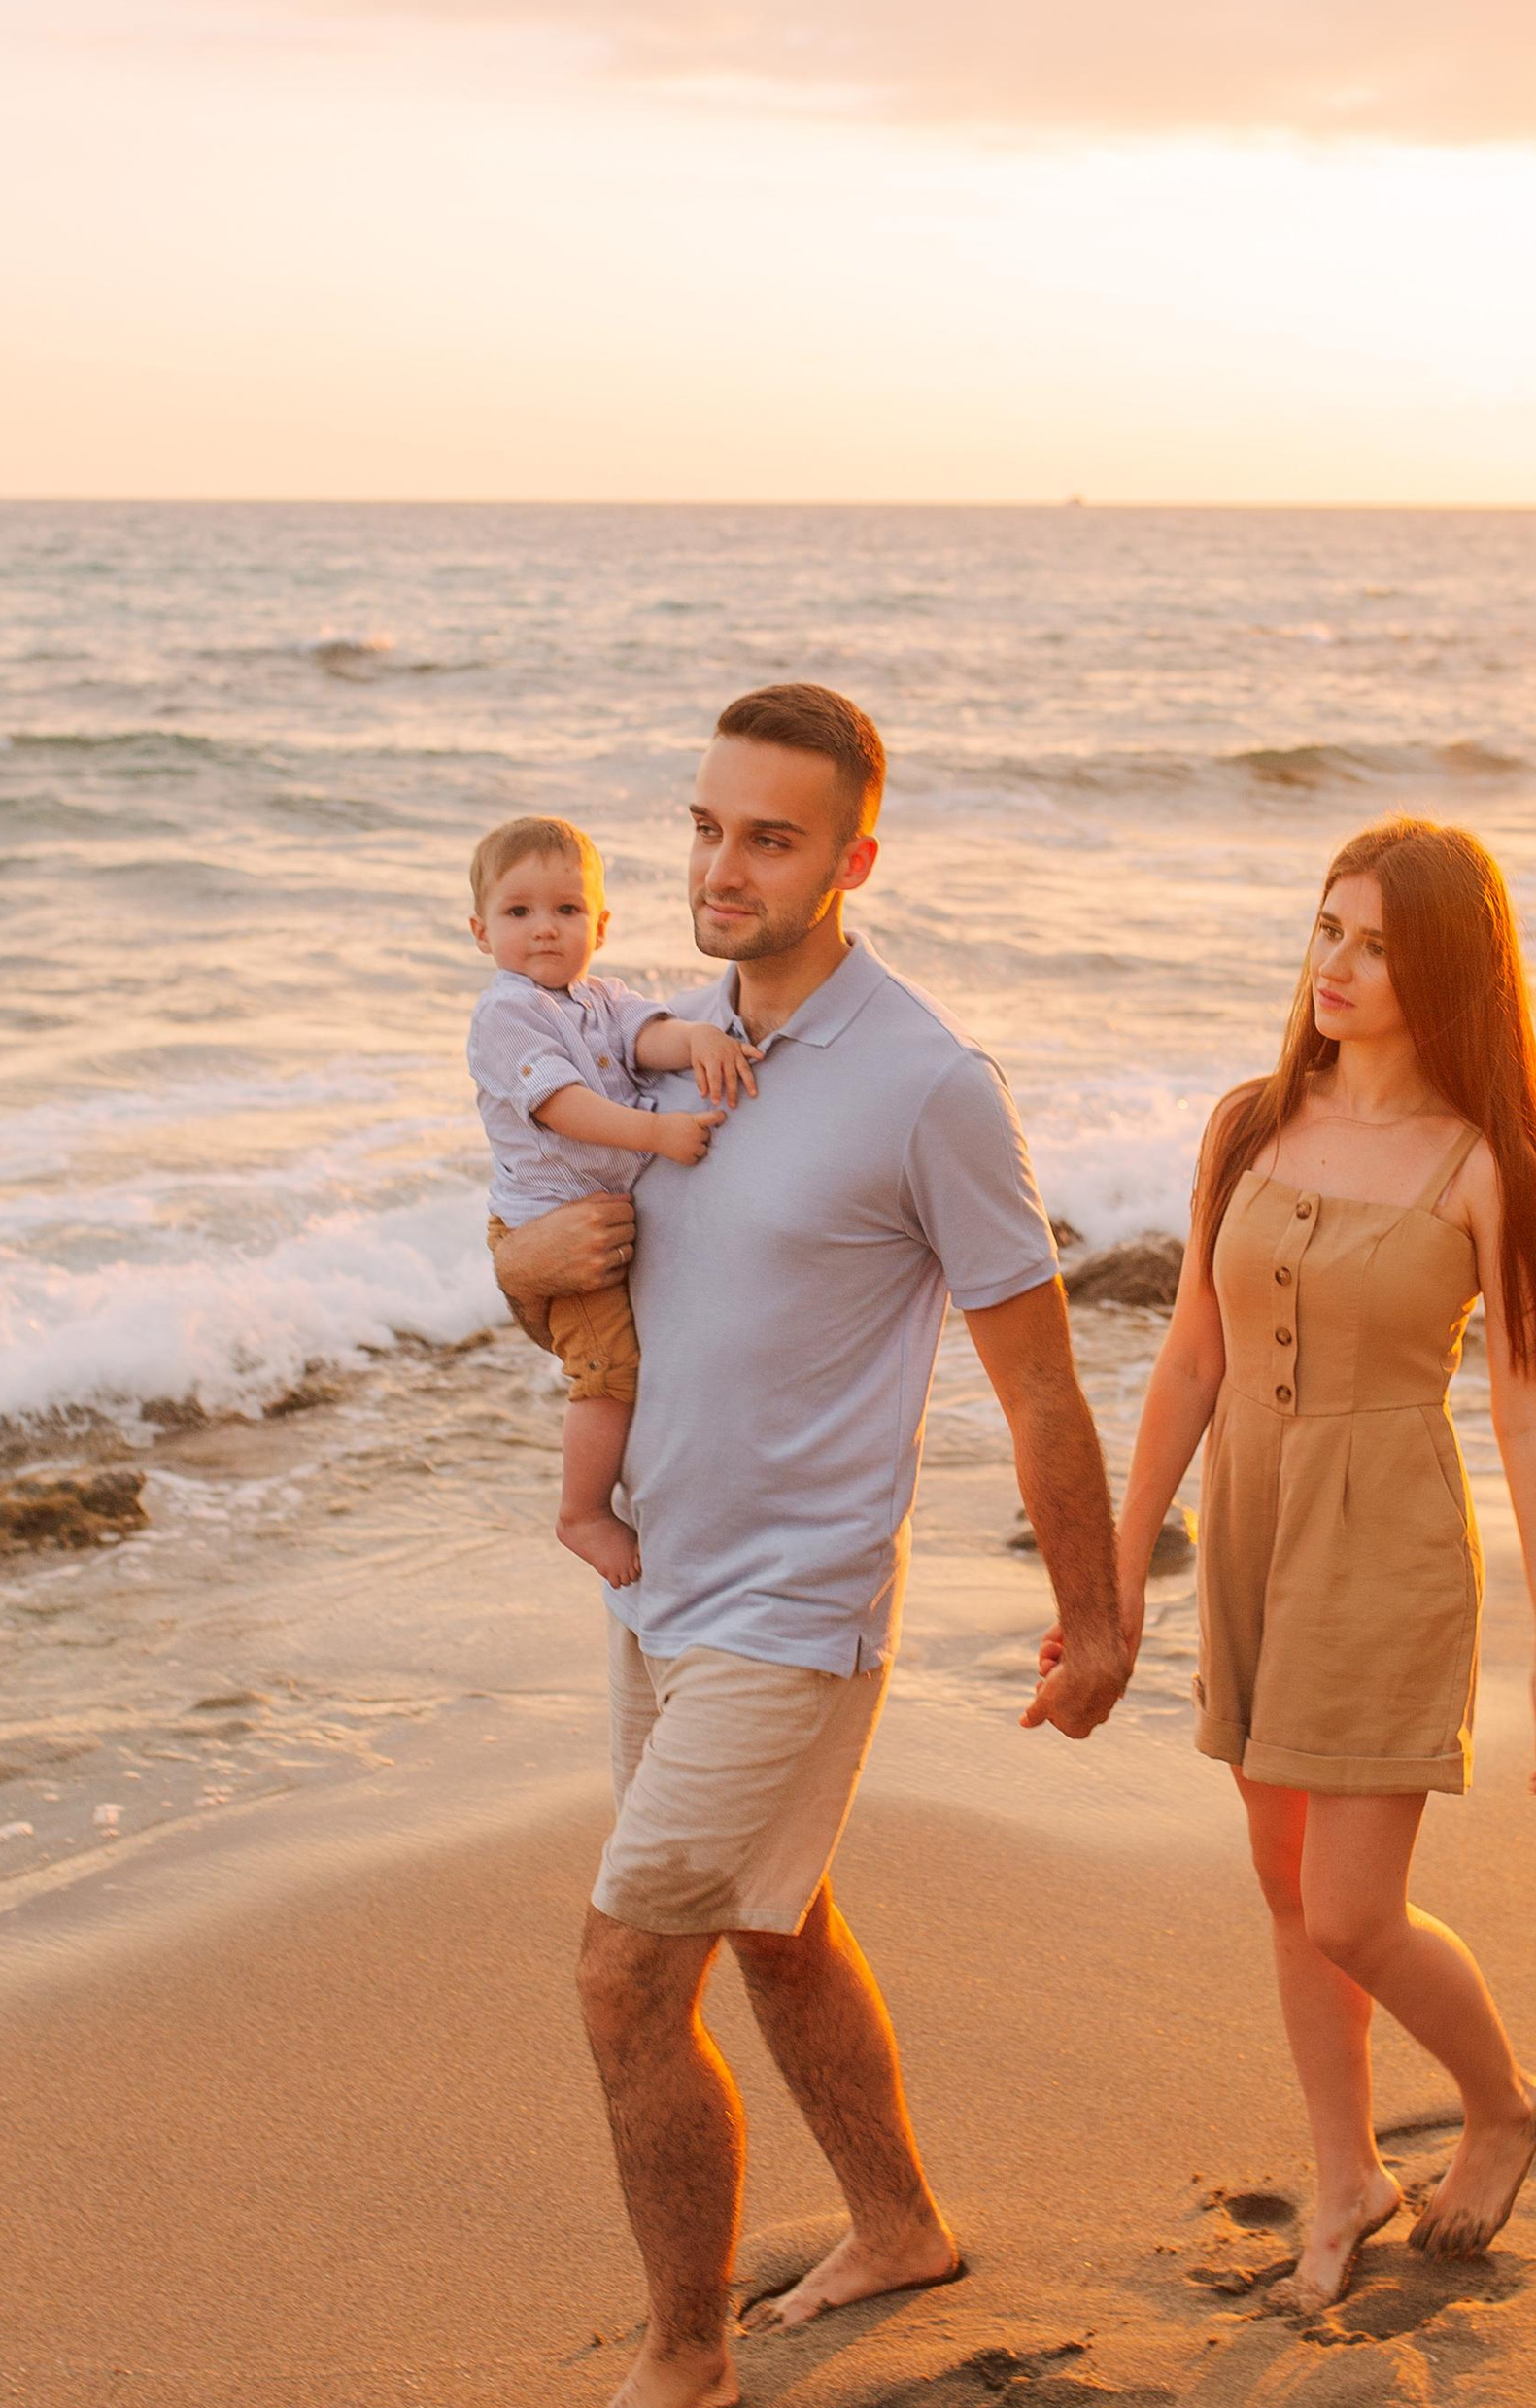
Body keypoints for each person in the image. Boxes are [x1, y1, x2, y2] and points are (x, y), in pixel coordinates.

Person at [489, 682, 1132, 2408]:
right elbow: (572, 1267)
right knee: (777, 1925)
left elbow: (1041, 1382)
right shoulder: (649, 1042)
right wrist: (516, 1274)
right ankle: (901, 2223)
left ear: (851, 857)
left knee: (628, 1976)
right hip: (661, 1583)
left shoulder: (928, 1084)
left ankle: (683, 2366)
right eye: (704, 826)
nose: (723, 865)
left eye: (768, 837)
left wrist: (1099, 1620)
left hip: (797, 1605)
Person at [1090, 814, 1536, 2312]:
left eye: (1378, 945)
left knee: (1350, 1910)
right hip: (1250, 1520)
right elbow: (1190, 1358)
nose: (1339, 966)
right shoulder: (1247, 1125)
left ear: (1444, 968)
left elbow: (1521, 1398)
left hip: (1387, 1543)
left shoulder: (1480, 1162)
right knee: (1278, 1878)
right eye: (1328, 929)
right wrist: (1117, 1576)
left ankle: (1501, 2099)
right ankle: (1345, 2174)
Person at [464, 813, 760, 1585]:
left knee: (640, 1361)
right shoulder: (506, 1014)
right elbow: (561, 1105)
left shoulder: (600, 998)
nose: (544, 931)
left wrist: (695, 1041)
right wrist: (655, 1136)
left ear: (601, 922)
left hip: (596, 1219)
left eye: (567, 911)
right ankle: (581, 1513)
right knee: (609, 1372)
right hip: (550, 1226)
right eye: (518, 912)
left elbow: (645, 1037)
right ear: (480, 930)